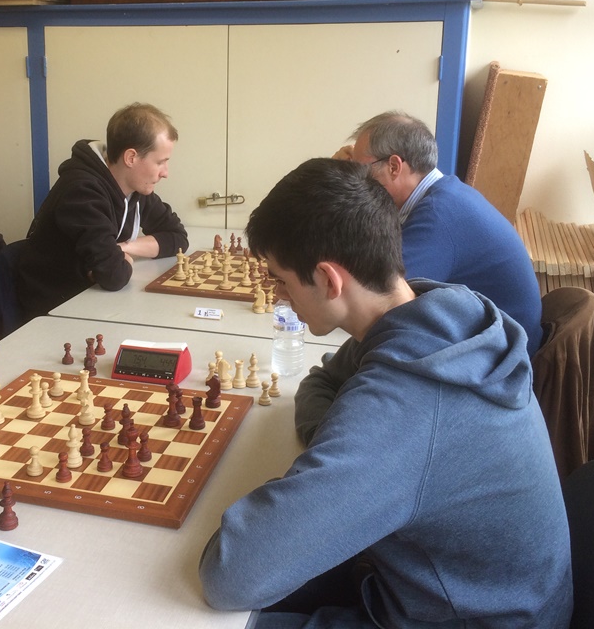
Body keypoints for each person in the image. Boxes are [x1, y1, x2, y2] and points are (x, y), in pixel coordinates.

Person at [199, 158, 572, 628]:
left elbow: (229, 575)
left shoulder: (407, 400)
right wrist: (341, 453)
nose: (277, 295)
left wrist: (349, 458)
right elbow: (320, 382)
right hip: (461, 591)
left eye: (282, 280)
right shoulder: (432, 315)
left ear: (329, 279)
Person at [333, 109, 543, 357]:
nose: (357, 180)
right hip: (491, 343)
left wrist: (337, 183)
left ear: (394, 166)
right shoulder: (444, 196)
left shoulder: (438, 215)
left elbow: (376, 297)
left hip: (502, 360)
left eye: (360, 169)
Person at [15, 102, 189, 321]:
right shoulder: (81, 192)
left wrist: (124, 248)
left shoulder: (136, 188)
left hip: (93, 300)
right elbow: (114, 275)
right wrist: (117, 259)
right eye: (160, 162)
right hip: (55, 310)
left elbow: (178, 237)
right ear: (131, 158)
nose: (165, 173)